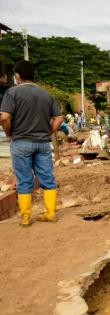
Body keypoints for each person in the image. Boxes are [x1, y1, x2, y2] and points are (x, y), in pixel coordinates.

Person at [0, 60, 63, 226]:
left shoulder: (12, 93)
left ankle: (26, 218)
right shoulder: (47, 95)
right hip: (43, 144)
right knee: (47, 178)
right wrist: (48, 132)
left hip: (21, 143)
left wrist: (9, 134)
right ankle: (50, 214)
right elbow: (59, 119)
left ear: (17, 76)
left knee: (24, 180)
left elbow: (5, 117)